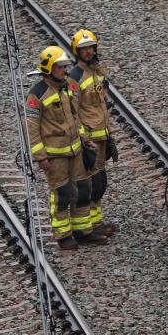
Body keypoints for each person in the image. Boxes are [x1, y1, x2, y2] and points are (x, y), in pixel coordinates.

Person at [25, 46, 107, 250]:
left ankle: (83, 231)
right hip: (55, 156)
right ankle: (63, 235)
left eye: (65, 66)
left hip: (76, 150)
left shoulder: (68, 87)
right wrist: (41, 157)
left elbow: (75, 117)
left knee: (82, 190)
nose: (65, 70)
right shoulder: (37, 95)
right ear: (49, 68)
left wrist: (84, 138)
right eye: (60, 67)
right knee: (61, 194)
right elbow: (32, 129)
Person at [69, 30, 117, 238]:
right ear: (77, 51)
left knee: (100, 183)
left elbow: (100, 107)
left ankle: (95, 223)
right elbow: (72, 112)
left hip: (101, 137)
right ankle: (82, 230)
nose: (89, 52)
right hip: (89, 140)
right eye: (84, 49)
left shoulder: (96, 71)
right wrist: (83, 139)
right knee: (88, 184)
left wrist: (108, 136)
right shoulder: (75, 77)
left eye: (91, 48)